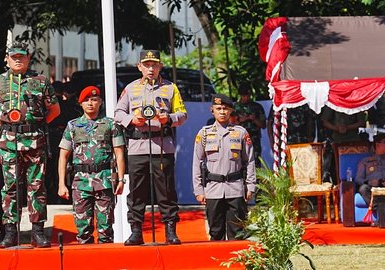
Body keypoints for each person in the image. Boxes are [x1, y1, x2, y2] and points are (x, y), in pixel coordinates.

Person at [0, 41, 60, 249]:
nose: (18, 60)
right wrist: (2, 123)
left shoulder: (40, 81)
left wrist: (37, 124)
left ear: (28, 58)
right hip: (9, 142)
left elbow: (54, 110)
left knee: (37, 186)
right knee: (11, 188)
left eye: (21, 56)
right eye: (14, 56)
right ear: (7, 58)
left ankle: (37, 232)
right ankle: (10, 232)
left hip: (35, 140)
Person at [114, 49, 186, 245]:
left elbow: (182, 114)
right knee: (137, 191)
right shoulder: (131, 88)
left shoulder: (170, 88)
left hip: (162, 146)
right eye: (147, 65)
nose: (151, 68)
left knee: (166, 191)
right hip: (138, 146)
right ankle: (136, 231)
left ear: (160, 66)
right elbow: (118, 113)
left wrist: (169, 118)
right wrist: (131, 119)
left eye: (154, 64)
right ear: (140, 67)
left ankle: (170, 230)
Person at [57, 86, 125, 244]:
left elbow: (119, 153)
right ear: (80, 104)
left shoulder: (110, 124)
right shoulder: (72, 126)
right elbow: (63, 156)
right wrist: (61, 183)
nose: (90, 103)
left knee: (105, 229)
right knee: (83, 230)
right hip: (80, 182)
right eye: (86, 100)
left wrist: (121, 180)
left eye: (94, 100)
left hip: (104, 181)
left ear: (100, 102)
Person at [192, 94, 256, 241]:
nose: (222, 112)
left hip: (235, 189)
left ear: (231, 111)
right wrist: (198, 189)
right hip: (213, 190)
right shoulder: (204, 134)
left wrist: (250, 186)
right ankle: (217, 263)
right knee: (216, 233)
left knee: (237, 233)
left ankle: (236, 264)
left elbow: (249, 161)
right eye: (218, 108)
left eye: (225, 109)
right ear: (212, 110)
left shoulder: (240, 133)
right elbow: (197, 162)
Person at [355, 134, 385, 222]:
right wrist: (371, 182)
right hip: (373, 190)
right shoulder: (366, 161)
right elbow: (358, 179)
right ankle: (382, 216)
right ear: (377, 144)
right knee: (363, 188)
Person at [233, 86, 265, 165]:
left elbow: (263, 125)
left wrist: (254, 119)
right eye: (244, 96)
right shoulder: (235, 108)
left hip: (254, 138)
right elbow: (230, 125)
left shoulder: (257, 107)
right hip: (239, 138)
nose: (246, 97)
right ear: (240, 95)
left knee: (255, 161)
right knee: (240, 161)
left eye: (248, 95)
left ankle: (256, 177)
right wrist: (240, 120)